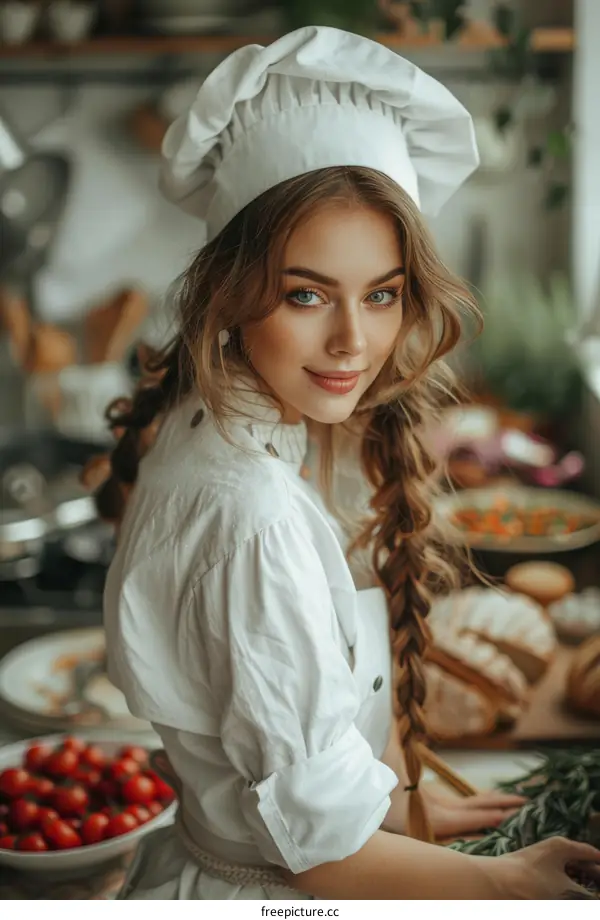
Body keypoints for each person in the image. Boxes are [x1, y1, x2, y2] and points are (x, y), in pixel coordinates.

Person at [97, 26, 600, 899]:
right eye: (305, 293)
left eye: (382, 293)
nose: (353, 342)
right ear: (231, 289)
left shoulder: (243, 421)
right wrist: (508, 885)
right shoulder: (252, 513)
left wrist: (400, 812)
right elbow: (324, 856)